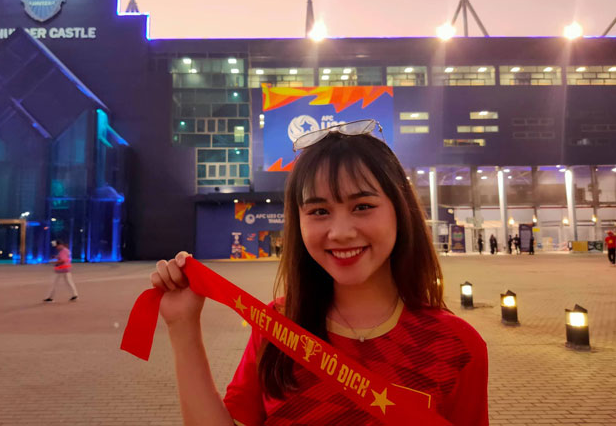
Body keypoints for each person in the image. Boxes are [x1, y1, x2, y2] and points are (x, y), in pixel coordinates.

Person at [149, 121, 488, 426]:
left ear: (400, 211)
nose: (340, 232)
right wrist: (182, 326)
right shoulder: (277, 327)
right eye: (319, 211)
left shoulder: (457, 346)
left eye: (363, 206)